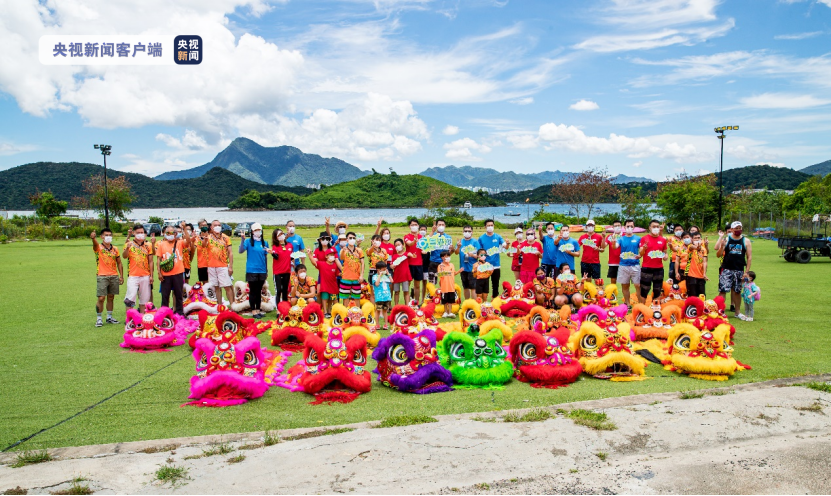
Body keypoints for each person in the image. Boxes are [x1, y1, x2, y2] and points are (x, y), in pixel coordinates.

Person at [716, 221, 753, 319]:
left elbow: (749, 257)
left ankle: (737, 312)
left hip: (739, 270)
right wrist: (723, 246)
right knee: (723, 290)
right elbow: (718, 255)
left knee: (737, 291)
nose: (738, 230)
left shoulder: (746, 241)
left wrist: (746, 272)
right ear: (731, 229)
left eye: (739, 228)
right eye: (736, 228)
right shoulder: (727, 239)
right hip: (726, 269)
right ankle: (720, 312)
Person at [91, 228, 123, 327]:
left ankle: (109, 317)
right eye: (106, 235)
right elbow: (95, 245)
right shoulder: (98, 247)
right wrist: (93, 239)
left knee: (111, 297)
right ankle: (99, 318)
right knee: (101, 298)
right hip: (102, 275)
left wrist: (121, 275)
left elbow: (119, 262)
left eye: (110, 235)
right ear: (102, 237)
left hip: (113, 275)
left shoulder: (115, 249)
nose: (108, 237)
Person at [157, 223, 189, 315]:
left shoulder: (179, 242)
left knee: (179, 294)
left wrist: (184, 229)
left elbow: (188, 241)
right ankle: (164, 313)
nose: (169, 235)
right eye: (167, 233)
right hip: (165, 274)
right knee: (165, 295)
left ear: (175, 234)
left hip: (178, 273)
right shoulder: (161, 244)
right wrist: (159, 273)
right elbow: (158, 259)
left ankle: (180, 313)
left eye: (171, 233)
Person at [239, 223, 269, 318]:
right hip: (252, 270)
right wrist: (242, 238)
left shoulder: (265, 243)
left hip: (262, 270)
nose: (258, 232)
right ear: (252, 232)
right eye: (256, 230)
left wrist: (266, 270)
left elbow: (265, 257)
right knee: (253, 291)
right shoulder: (248, 242)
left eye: (259, 230)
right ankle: (253, 311)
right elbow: (241, 250)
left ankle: (258, 309)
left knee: (259, 291)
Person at [122, 224, 154, 312]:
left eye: (142, 232)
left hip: (145, 276)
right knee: (130, 299)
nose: (140, 234)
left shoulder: (148, 245)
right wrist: (127, 248)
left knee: (144, 300)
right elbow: (124, 256)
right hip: (133, 276)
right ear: (134, 233)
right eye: (138, 233)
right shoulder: (129, 244)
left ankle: (142, 319)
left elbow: (151, 261)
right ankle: (129, 319)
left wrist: (151, 276)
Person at [201, 220, 234, 304]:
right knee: (216, 287)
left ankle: (232, 306)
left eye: (219, 225)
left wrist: (230, 266)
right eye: (215, 225)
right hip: (211, 266)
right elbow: (203, 246)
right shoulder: (208, 237)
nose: (217, 226)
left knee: (227, 286)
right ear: (211, 227)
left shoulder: (226, 238)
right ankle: (219, 306)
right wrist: (204, 238)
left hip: (223, 265)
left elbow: (230, 252)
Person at [638, 219, 668, 303]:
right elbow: (641, 253)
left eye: (657, 227)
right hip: (646, 268)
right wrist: (644, 248)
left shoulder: (662, 240)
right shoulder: (644, 239)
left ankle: (655, 310)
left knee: (657, 290)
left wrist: (665, 256)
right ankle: (642, 309)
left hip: (659, 269)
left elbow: (665, 253)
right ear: (649, 228)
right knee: (644, 290)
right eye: (654, 227)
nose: (656, 228)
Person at [477, 219, 506, 300]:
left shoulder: (498, 237)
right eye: (488, 225)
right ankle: (484, 301)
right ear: (485, 227)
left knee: (495, 284)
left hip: (496, 265)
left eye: (491, 225)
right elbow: (479, 252)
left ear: (494, 226)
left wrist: (506, 244)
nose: (490, 227)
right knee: (484, 283)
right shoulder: (481, 238)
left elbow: (504, 245)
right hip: (484, 266)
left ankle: (495, 300)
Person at [615, 219, 642, 306]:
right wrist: (612, 243)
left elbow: (641, 250)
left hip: (635, 265)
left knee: (638, 285)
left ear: (634, 227)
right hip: (623, 265)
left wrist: (640, 254)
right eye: (628, 226)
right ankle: (627, 303)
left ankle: (640, 304)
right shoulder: (621, 239)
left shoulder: (638, 238)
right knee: (625, 286)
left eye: (631, 226)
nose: (629, 228)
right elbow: (615, 246)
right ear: (624, 227)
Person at [309, 249, 341, 318]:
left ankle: (329, 311)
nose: (332, 256)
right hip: (324, 286)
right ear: (326, 256)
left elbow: (338, 274)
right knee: (324, 298)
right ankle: (325, 312)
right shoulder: (322, 264)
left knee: (332, 299)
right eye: (331, 255)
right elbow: (314, 263)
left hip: (333, 287)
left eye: (333, 255)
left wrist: (345, 272)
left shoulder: (335, 265)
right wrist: (309, 255)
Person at [404, 218, 425, 305]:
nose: (414, 226)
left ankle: (416, 304)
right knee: (407, 285)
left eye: (415, 225)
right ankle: (407, 303)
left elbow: (424, 249)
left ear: (418, 226)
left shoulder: (422, 237)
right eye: (412, 225)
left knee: (417, 285)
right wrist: (414, 241)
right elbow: (409, 244)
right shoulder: (406, 236)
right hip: (409, 264)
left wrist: (425, 251)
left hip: (419, 264)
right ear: (409, 226)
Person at [457, 225, 480, 301]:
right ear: (463, 232)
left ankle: (474, 304)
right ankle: (467, 303)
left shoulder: (475, 242)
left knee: (473, 288)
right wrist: (458, 247)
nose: (467, 232)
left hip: (472, 269)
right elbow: (456, 253)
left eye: (469, 231)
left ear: (472, 232)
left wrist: (472, 255)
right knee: (465, 287)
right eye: (465, 231)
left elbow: (479, 256)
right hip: (463, 268)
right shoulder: (460, 242)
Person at [427, 218, 454, 287]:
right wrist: (432, 231)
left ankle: (444, 297)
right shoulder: (432, 236)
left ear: (445, 226)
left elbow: (449, 253)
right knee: (432, 284)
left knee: (444, 282)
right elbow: (426, 243)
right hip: (433, 262)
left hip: (444, 263)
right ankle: (431, 297)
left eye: (442, 224)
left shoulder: (448, 237)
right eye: (439, 225)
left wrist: (452, 250)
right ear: (436, 226)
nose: (441, 226)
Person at [339, 232, 364, 301]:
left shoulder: (359, 250)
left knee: (357, 298)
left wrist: (361, 275)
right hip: (346, 277)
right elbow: (341, 258)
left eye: (353, 238)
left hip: (357, 278)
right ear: (347, 240)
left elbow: (363, 263)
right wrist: (343, 251)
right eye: (350, 238)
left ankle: (357, 311)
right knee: (345, 298)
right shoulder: (343, 250)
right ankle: (345, 312)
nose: (352, 239)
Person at [270, 228, 293, 303]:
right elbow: (276, 257)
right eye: (279, 235)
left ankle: (285, 308)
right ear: (276, 238)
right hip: (278, 272)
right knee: (279, 290)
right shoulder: (275, 247)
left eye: (282, 234)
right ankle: (278, 310)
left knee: (285, 290)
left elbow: (291, 257)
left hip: (287, 271)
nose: (281, 236)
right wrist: (272, 253)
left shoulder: (289, 245)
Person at [391, 238, 415, 306]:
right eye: (396, 245)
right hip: (397, 276)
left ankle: (407, 306)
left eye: (399, 244)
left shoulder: (406, 254)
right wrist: (392, 266)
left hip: (405, 275)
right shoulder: (394, 256)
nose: (397, 246)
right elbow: (391, 265)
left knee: (406, 291)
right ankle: (396, 306)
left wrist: (411, 255)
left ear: (403, 245)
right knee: (396, 292)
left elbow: (412, 255)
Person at [684, 231, 708, 298]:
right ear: (692, 239)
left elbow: (705, 262)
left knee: (702, 296)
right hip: (692, 276)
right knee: (692, 295)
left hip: (701, 276)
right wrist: (696, 248)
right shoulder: (690, 247)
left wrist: (704, 274)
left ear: (701, 239)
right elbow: (691, 247)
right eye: (695, 238)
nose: (697, 240)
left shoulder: (703, 249)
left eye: (699, 238)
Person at [437, 251, 458, 318]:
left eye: (448, 256)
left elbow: (453, 273)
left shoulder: (451, 265)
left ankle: (450, 312)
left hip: (451, 286)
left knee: (451, 300)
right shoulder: (440, 266)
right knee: (444, 300)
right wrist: (443, 271)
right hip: (444, 287)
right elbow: (440, 275)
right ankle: (445, 312)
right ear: (442, 258)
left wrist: (459, 271)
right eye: (446, 256)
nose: (447, 258)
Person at [372, 261, 392, 326]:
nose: (385, 270)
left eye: (386, 269)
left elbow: (392, 281)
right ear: (378, 269)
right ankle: (377, 324)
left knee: (385, 310)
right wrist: (379, 275)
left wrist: (388, 274)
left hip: (386, 296)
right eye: (384, 269)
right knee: (378, 310)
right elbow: (376, 284)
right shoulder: (374, 277)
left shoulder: (386, 276)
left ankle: (386, 324)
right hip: (379, 297)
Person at [195, 218, 210, 284]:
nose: (204, 227)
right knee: (205, 282)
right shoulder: (197, 238)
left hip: (212, 263)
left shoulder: (211, 237)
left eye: (205, 225)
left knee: (214, 282)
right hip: (202, 263)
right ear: (199, 227)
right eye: (202, 225)